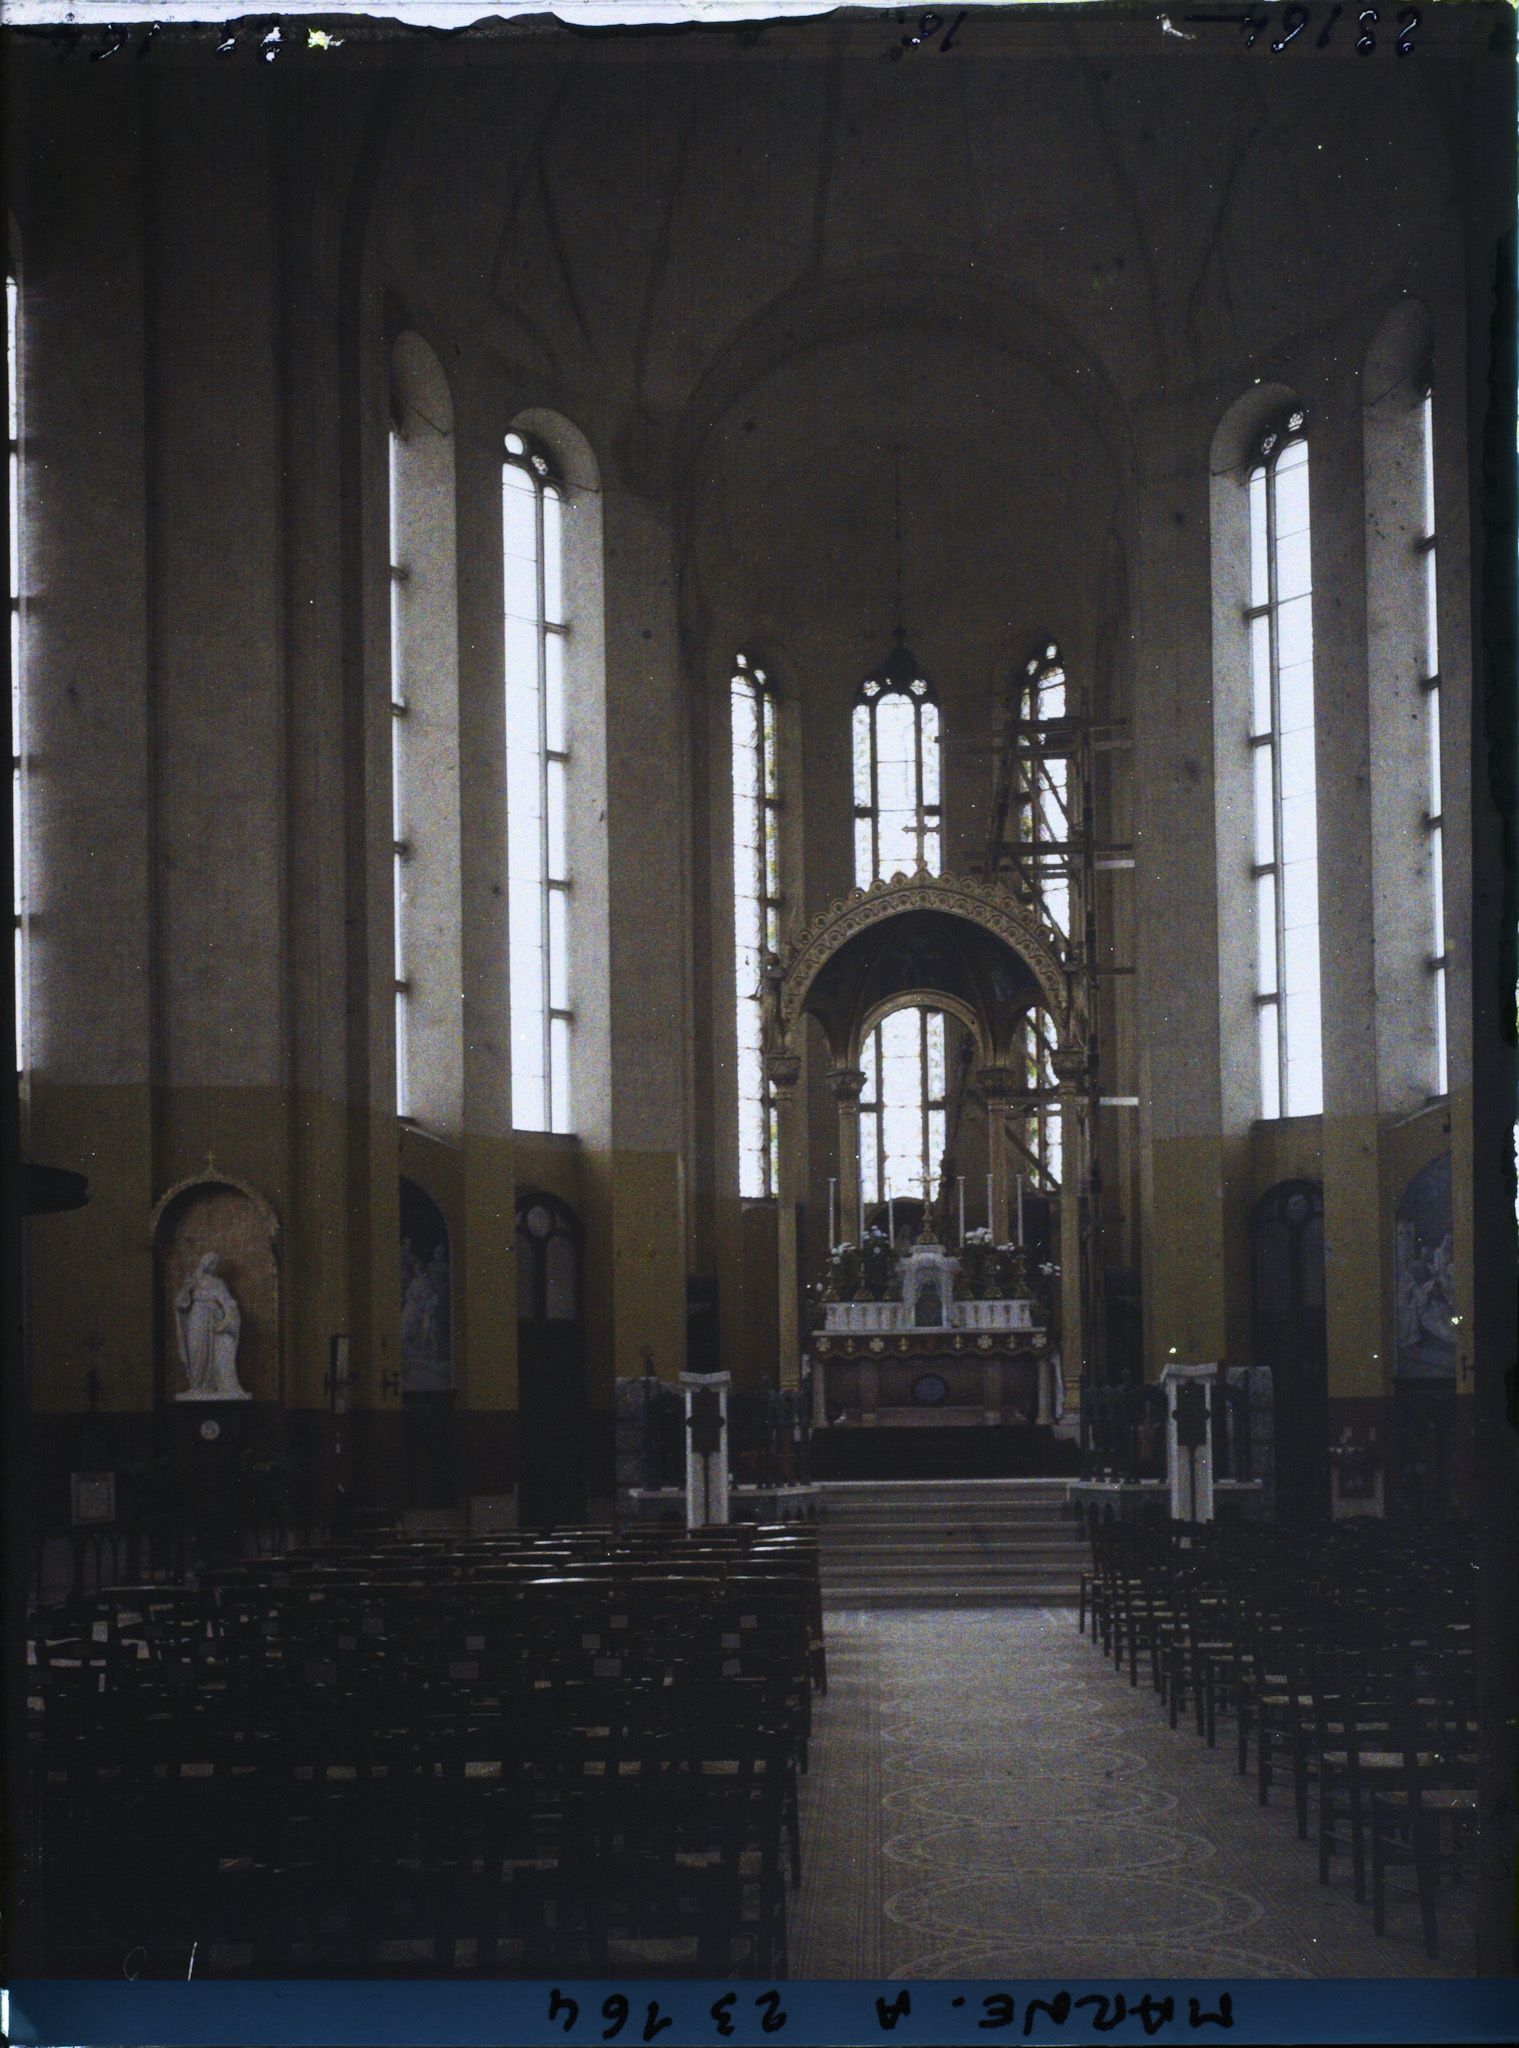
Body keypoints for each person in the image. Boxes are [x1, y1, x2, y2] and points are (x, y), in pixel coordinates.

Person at [175, 1252, 248, 1399]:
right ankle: (197, 1386)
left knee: (218, 1351)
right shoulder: (194, 1280)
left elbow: (227, 1302)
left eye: (216, 1264)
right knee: (197, 1350)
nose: (214, 1266)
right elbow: (180, 1303)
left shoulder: (218, 1283)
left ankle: (213, 1385)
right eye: (212, 1262)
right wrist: (186, 1289)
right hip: (197, 1318)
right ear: (205, 1263)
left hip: (214, 1319)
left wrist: (228, 1318)